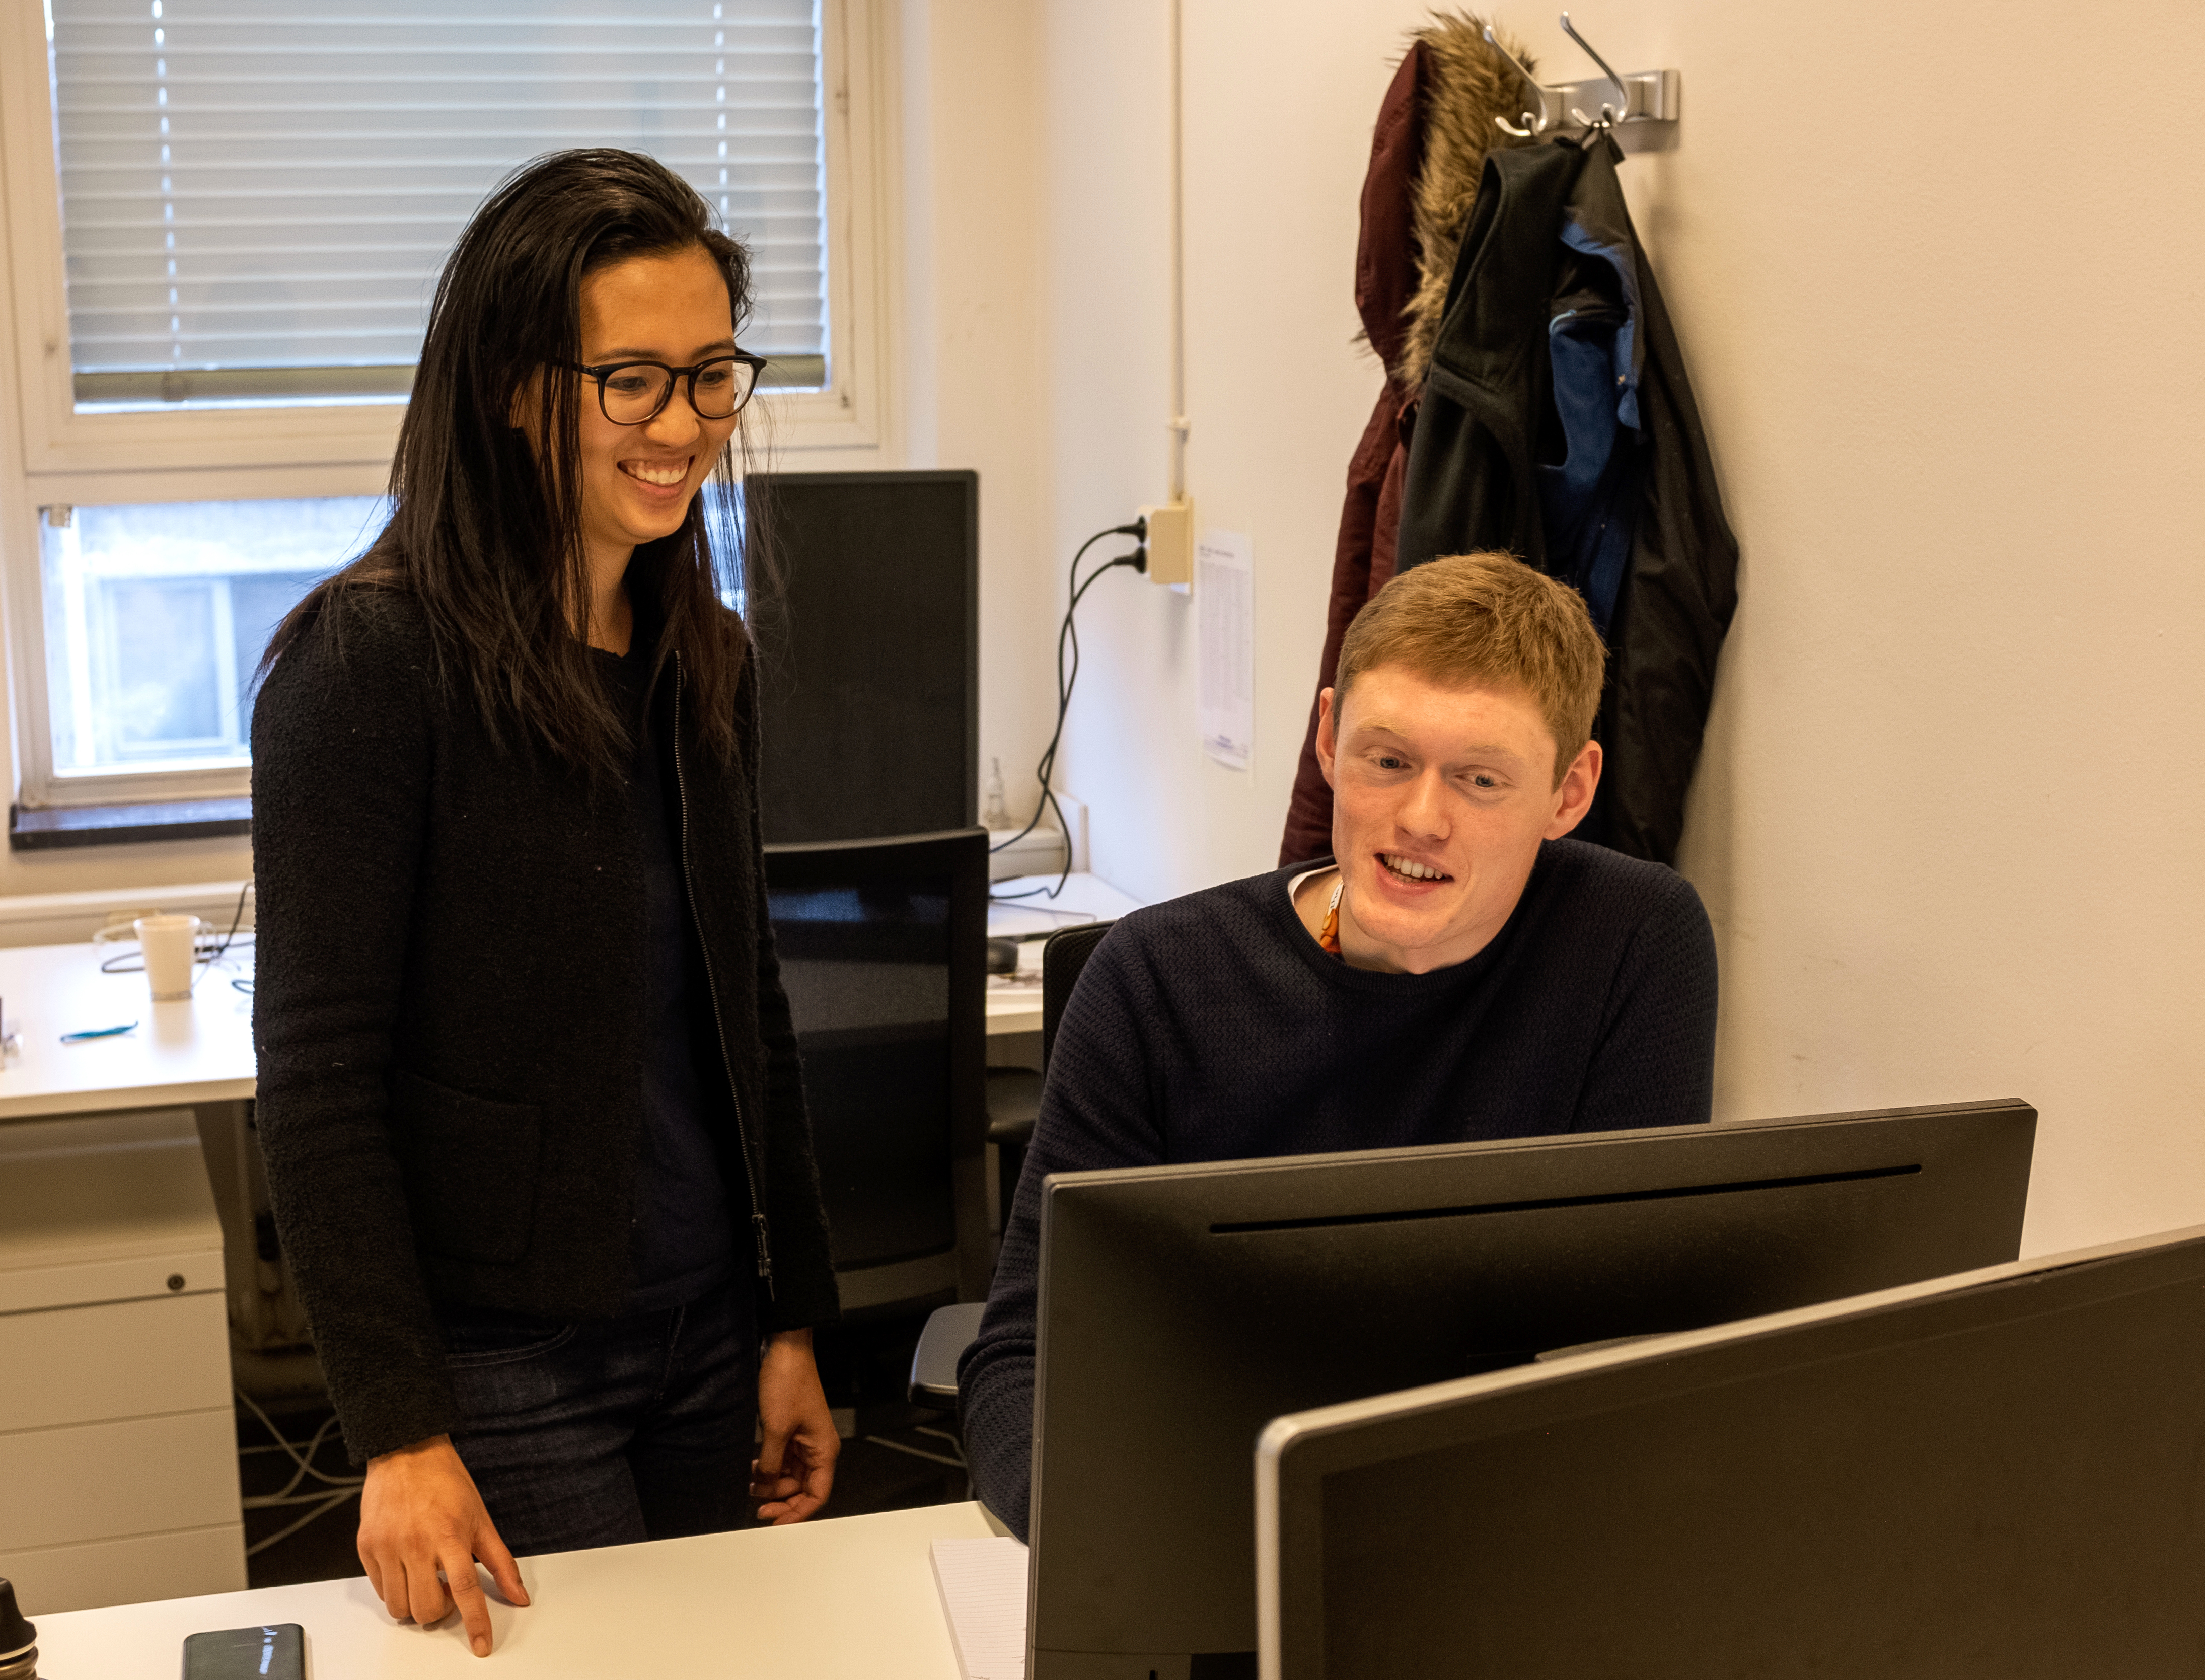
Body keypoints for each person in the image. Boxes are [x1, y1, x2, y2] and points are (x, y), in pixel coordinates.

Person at [251, 150, 841, 1658]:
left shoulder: (698, 653)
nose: (686, 426)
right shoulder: (365, 670)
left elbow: (745, 1006)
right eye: (631, 381)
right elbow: (317, 1088)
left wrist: (790, 1322)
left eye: (713, 376)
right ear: (520, 388)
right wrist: (395, 1429)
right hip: (506, 1359)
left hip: (707, 1326)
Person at [958, 551, 1719, 1540]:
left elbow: (1632, 1337)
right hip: (1203, 1523)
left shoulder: (1633, 943)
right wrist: (1117, 1552)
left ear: (1569, 793)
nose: (1420, 818)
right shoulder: (1156, 980)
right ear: (1327, 738)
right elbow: (1020, 1359)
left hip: (1501, 1533)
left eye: (1482, 779)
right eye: (1387, 759)